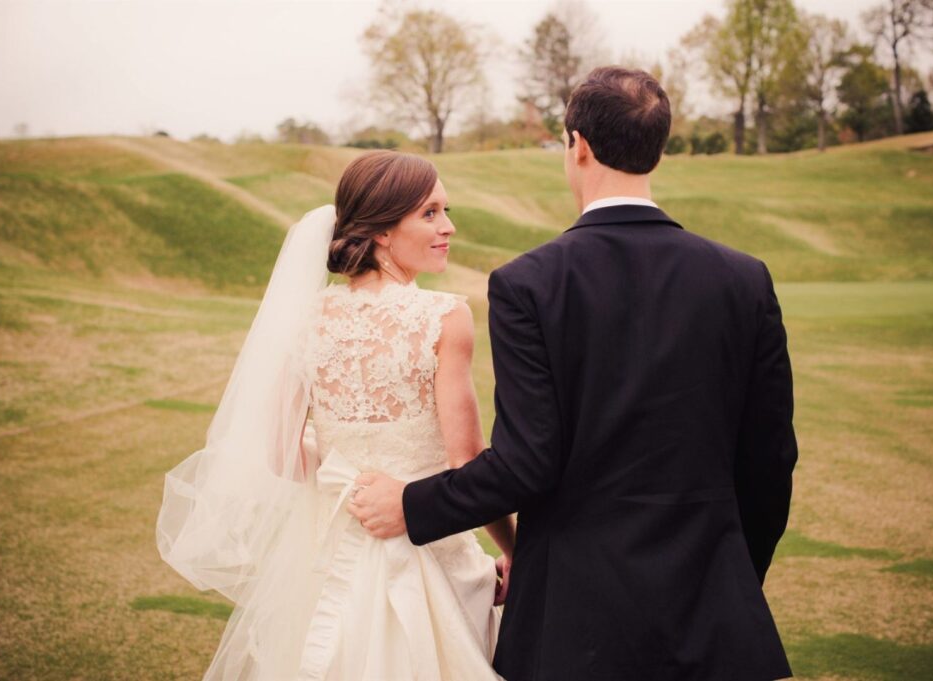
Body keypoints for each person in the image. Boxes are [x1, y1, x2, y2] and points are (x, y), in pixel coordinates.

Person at [350, 66, 798, 681]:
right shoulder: (744, 279)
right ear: (657, 148)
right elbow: (771, 460)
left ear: (577, 144)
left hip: (575, 622)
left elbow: (527, 461)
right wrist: (729, 577)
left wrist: (412, 504)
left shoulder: (528, 284)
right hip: (716, 615)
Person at [156, 150, 515, 680]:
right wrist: (518, 548)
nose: (449, 226)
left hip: (329, 555)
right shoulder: (444, 317)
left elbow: (279, 455)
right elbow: (467, 463)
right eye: (430, 213)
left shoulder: (308, 316)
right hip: (428, 552)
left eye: (445, 211)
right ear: (385, 232)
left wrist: (343, 471)